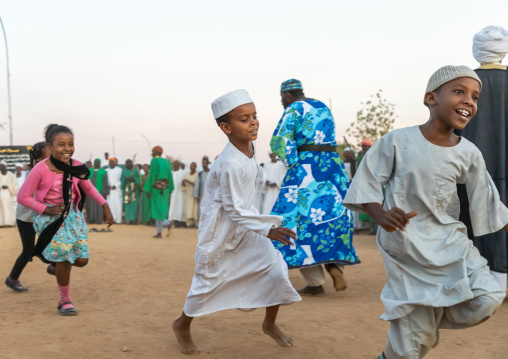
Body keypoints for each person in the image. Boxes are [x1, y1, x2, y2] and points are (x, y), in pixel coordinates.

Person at [344, 66, 507, 359]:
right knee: (408, 351)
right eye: (459, 92)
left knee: (489, 297)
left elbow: (489, 201)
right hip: (408, 247)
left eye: (475, 96)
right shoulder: (398, 141)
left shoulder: (468, 152)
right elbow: (366, 182)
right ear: (431, 98)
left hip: (451, 242)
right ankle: (410, 335)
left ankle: (424, 323)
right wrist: (381, 215)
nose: (469, 101)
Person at [173, 89, 301, 355]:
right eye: (244, 119)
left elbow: (242, 207)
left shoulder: (250, 147)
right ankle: (182, 324)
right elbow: (232, 209)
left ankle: (269, 324)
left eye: (254, 116)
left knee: (276, 269)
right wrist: (269, 229)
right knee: (207, 281)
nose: (253, 122)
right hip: (223, 228)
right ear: (226, 127)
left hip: (247, 224)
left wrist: (263, 228)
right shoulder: (230, 162)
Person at [270, 79, 359, 296]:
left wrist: (291, 162)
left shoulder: (293, 108)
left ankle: (315, 282)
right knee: (333, 218)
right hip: (333, 167)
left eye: (282, 98)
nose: (282, 102)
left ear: (287, 95)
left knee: (294, 221)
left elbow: (279, 141)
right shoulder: (322, 107)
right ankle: (334, 266)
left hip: (306, 169)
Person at [17, 124, 114, 315]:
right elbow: (23, 196)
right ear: (50, 146)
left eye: (71, 144)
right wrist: (46, 209)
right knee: (65, 257)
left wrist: (105, 205)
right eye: (61, 144)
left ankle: (57, 265)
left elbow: (88, 188)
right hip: (49, 218)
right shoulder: (40, 169)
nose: (67, 148)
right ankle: (65, 301)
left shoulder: (77, 166)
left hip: (73, 216)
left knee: (81, 260)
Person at [455, 25, 508, 294]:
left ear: (478, 50)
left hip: (470, 170)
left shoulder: (461, 84)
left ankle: (481, 281)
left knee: (472, 224)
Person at [5, 142, 51, 292]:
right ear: (42, 154)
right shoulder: (37, 170)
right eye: (49, 149)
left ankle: (54, 265)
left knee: (52, 241)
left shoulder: (48, 167)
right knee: (28, 250)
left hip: (39, 215)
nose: (53, 151)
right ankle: (12, 279)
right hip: (27, 217)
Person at [143, 146, 174, 238]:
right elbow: (170, 176)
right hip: (166, 189)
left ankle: (168, 224)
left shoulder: (154, 160)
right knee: (162, 210)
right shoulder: (166, 162)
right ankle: (159, 232)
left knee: (157, 209)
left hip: (156, 189)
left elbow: (152, 175)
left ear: (156, 152)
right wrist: (170, 190)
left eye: (152, 151)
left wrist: (148, 189)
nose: (151, 153)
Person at [85, 159, 109, 224]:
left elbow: (105, 182)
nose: (96, 163)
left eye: (97, 162)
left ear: (100, 163)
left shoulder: (103, 171)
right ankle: (91, 219)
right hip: (90, 192)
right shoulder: (90, 170)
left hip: (99, 192)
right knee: (90, 206)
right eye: (95, 162)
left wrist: (105, 192)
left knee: (99, 207)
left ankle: (99, 219)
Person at [121, 158, 141, 224]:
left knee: (134, 204)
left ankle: (134, 219)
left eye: (128, 163)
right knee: (128, 204)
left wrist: (134, 178)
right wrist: (126, 179)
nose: (126, 164)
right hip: (127, 189)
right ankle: (129, 219)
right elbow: (121, 179)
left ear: (131, 163)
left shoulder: (135, 170)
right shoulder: (124, 170)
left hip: (134, 190)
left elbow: (139, 178)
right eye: (126, 163)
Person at [168, 159, 187, 227]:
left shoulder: (183, 172)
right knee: (172, 206)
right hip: (172, 192)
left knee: (180, 206)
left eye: (176, 163)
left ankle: (180, 221)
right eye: (174, 163)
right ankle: (172, 221)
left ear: (179, 165)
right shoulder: (170, 172)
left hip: (180, 192)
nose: (175, 165)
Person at [181, 161, 199, 228]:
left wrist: (188, 181)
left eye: (193, 165)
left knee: (194, 208)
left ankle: (196, 223)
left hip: (194, 194)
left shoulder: (197, 174)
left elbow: (196, 184)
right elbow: (183, 185)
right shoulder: (187, 174)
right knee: (188, 208)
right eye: (191, 165)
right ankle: (189, 223)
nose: (191, 167)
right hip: (188, 193)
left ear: (195, 167)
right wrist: (183, 182)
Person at [0, 161, 17, 227]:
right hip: (0, 193)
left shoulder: (10, 174)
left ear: (5, 166)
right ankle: (1, 223)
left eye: (1, 165)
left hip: (9, 193)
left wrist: (8, 186)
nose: (0, 166)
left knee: (9, 207)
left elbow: (15, 184)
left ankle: (9, 223)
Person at [106, 157, 123, 223]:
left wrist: (116, 185)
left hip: (117, 190)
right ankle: (110, 220)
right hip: (109, 191)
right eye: (110, 162)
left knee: (118, 205)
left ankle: (118, 220)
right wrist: (108, 185)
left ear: (116, 163)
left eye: (113, 162)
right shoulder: (106, 170)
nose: (111, 163)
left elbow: (121, 179)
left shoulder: (120, 170)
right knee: (109, 205)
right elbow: (106, 180)